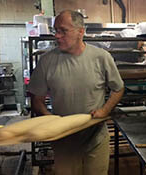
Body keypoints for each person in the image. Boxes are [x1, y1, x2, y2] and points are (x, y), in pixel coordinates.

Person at [28, 9, 124, 175]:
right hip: (64, 141)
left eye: (63, 31)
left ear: (81, 32)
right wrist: (49, 118)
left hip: (95, 138)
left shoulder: (101, 57)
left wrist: (105, 110)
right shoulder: (46, 61)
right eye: (55, 31)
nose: (57, 36)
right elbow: (37, 98)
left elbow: (118, 88)